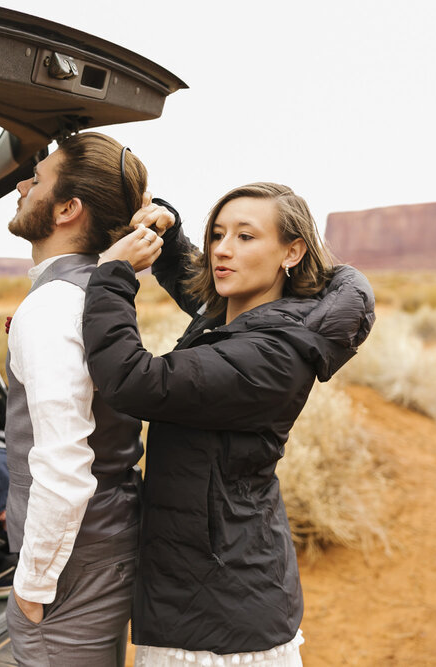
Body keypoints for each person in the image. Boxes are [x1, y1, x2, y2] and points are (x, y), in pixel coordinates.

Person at [81, 183, 376, 666]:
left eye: (245, 237)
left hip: (220, 618)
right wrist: (169, 234)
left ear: (292, 251)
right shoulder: (244, 319)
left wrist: (112, 277)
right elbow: (194, 283)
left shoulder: (271, 355)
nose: (222, 249)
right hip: (207, 588)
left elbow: (135, 381)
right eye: (218, 234)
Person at [3, 132, 165, 666]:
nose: (23, 185)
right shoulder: (99, 293)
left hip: (72, 560)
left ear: (68, 208)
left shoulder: (54, 305)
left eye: (39, 178)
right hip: (106, 539)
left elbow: (64, 462)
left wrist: (32, 584)